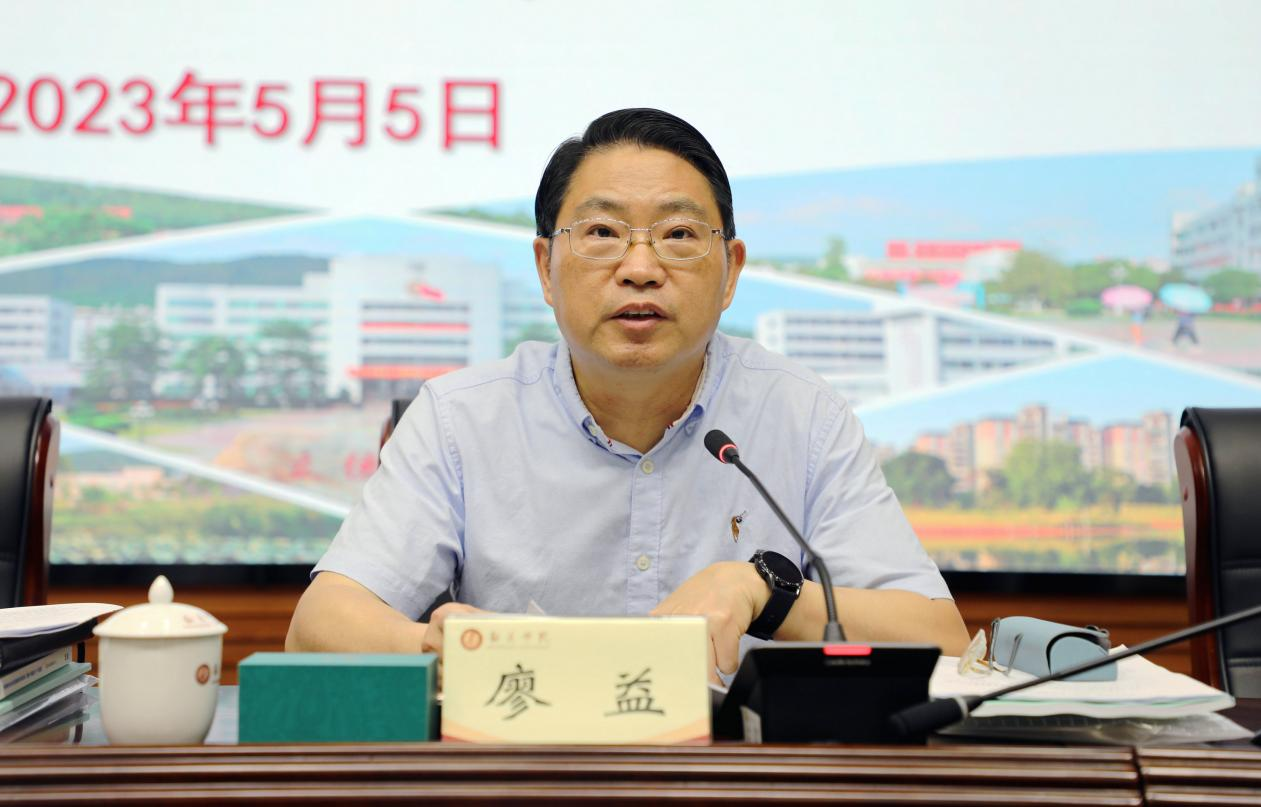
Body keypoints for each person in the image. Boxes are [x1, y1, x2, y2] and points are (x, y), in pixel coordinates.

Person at [286, 109, 969, 680]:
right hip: (524, 768)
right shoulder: (459, 418)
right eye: (602, 234)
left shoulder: (802, 415)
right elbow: (317, 626)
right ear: (545, 267)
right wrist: (433, 648)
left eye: (678, 235)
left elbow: (942, 640)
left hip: (735, 774)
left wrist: (762, 591)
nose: (639, 268)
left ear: (730, 271)